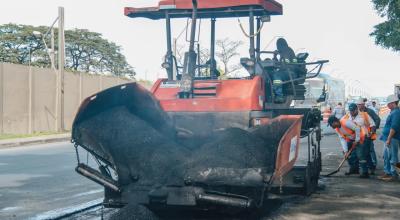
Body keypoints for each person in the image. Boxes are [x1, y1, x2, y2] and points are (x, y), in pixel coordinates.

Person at [327, 110, 366, 177]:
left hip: (360, 138)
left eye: (331, 124)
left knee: (360, 155)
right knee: (347, 155)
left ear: (335, 122)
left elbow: (357, 129)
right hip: (351, 140)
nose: (331, 126)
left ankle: (364, 173)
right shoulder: (337, 129)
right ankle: (353, 169)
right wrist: (345, 151)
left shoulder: (345, 122)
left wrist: (357, 140)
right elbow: (342, 139)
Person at [345, 103, 374, 178]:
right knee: (354, 155)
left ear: (356, 109)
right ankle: (355, 169)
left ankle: (368, 170)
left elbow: (372, 125)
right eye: (350, 111)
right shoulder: (348, 116)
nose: (351, 112)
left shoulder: (364, 115)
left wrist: (371, 132)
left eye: (353, 111)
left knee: (364, 155)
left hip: (364, 138)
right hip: (354, 139)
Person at [378, 94, 400, 181]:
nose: (387, 105)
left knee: (393, 156)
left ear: (393, 103)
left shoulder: (396, 113)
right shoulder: (393, 112)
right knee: (386, 156)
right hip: (388, 138)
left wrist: (389, 139)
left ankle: (394, 174)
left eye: (388, 103)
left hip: (393, 138)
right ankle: (388, 172)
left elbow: (394, 127)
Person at [356, 98, 380, 175]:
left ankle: (373, 164)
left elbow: (377, 119)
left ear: (363, 104)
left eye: (360, 105)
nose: (359, 106)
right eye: (358, 105)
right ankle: (367, 165)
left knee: (370, 150)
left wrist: (373, 130)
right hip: (361, 136)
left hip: (370, 134)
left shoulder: (369, 111)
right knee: (364, 151)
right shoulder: (358, 112)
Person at [271, 38, 296, 103]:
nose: (277, 47)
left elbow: (285, 64)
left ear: (282, 45)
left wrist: (278, 64)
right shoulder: (283, 52)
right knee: (273, 74)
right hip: (286, 71)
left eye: (278, 45)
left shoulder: (287, 51)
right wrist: (275, 56)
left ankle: (279, 96)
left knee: (276, 75)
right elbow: (278, 63)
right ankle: (274, 93)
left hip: (290, 72)